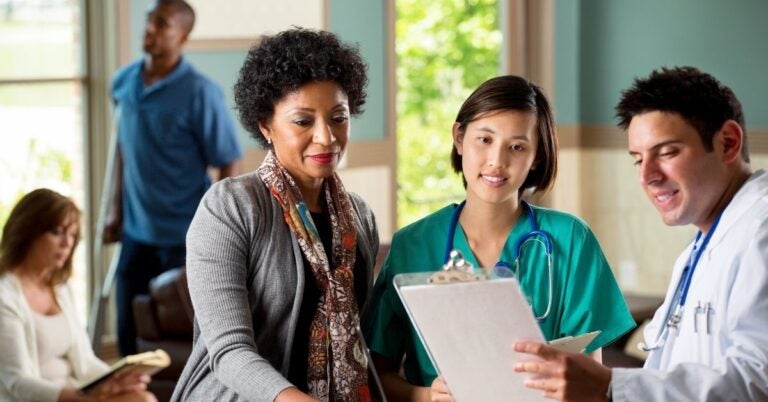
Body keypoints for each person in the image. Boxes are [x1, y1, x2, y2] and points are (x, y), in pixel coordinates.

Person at [363, 75, 636, 402]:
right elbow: (375, 374)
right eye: (485, 140)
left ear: (536, 156)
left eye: (517, 147)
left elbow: (589, 382)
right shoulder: (412, 245)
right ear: (459, 138)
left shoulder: (571, 240)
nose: (497, 161)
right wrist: (424, 397)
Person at [514, 66, 768, 401]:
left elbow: (757, 380)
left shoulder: (760, 230)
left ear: (728, 143)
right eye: (638, 159)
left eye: (666, 152)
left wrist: (609, 387)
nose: (647, 176)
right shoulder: (703, 245)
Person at [171, 28, 379, 402]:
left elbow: (365, 342)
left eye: (338, 118)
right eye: (303, 121)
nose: (327, 137)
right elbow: (229, 352)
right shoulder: (230, 206)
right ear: (266, 125)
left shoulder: (359, 217)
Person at [105, 0, 243, 356]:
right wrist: (115, 211)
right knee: (129, 331)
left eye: (161, 23)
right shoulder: (122, 83)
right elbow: (123, 151)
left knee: (184, 337)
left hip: (183, 237)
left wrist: (214, 229)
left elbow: (229, 163)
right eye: (149, 19)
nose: (149, 28)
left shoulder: (200, 92)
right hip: (136, 232)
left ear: (183, 35)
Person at [0, 189, 156, 402]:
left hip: (76, 391)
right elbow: (17, 383)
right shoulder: (5, 296)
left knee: (141, 398)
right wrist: (80, 398)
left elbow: (86, 362)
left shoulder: (60, 288)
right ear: (27, 232)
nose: (67, 243)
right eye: (57, 232)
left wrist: (115, 380)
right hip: (44, 398)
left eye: (72, 234)